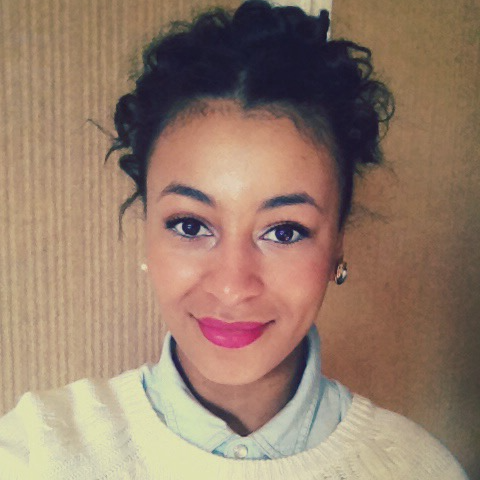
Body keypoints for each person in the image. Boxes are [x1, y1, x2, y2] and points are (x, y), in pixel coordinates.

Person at [0, 1, 468, 478]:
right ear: (147, 229)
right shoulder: (35, 452)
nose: (231, 286)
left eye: (284, 231)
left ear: (337, 246)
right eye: (190, 225)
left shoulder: (417, 468)